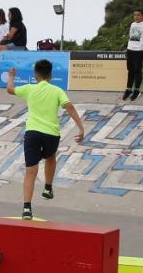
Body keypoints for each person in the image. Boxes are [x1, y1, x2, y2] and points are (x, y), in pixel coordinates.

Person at [7, 59, 85, 220]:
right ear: (50, 74)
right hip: (51, 133)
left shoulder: (29, 89)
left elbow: (10, 89)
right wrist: (81, 128)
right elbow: (69, 106)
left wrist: (11, 76)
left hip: (32, 133)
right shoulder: (57, 90)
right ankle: (48, 188)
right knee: (50, 157)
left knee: (31, 170)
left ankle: (27, 208)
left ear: (35, 74)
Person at [123, 8, 143, 101]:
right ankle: (128, 89)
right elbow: (131, 37)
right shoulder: (132, 24)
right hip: (130, 50)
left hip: (139, 50)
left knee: (137, 70)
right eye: (135, 15)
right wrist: (128, 47)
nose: (136, 17)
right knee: (130, 70)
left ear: (142, 16)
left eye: (138, 15)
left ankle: (137, 90)